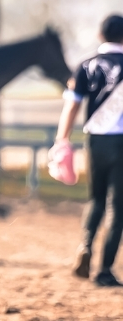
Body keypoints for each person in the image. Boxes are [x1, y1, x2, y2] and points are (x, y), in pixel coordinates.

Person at [53, 14, 123, 288]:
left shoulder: (86, 66)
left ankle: (85, 245)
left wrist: (62, 139)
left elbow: (72, 106)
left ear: (99, 36)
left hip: (96, 140)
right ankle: (105, 269)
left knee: (96, 199)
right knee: (118, 207)